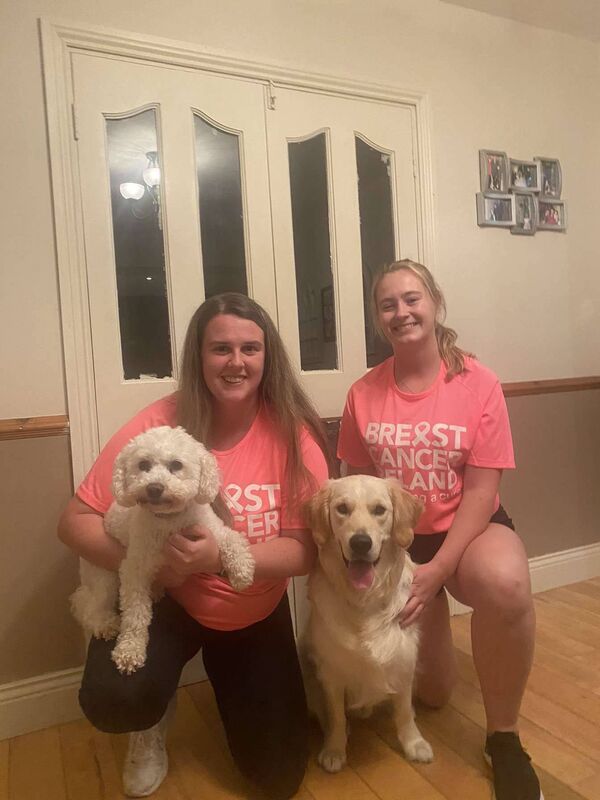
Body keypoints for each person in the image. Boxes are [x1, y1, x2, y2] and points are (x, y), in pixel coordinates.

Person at [58, 292, 330, 799]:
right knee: (116, 699)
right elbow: (74, 523)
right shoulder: (157, 425)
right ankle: (150, 720)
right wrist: (152, 569)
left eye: (250, 348)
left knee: (278, 775)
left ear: (267, 357)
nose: (235, 362)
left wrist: (215, 561)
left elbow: (304, 550)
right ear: (198, 356)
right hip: (168, 602)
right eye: (220, 348)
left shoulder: (294, 436)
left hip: (252, 608)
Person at [337, 260, 542, 800]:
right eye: (388, 304)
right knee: (433, 696)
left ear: (434, 303)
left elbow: (480, 492)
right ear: (378, 318)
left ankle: (504, 740)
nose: (402, 311)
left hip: (469, 530)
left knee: (506, 584)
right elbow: (354, 483)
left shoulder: (479, 382)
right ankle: (436, 618)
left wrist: (439, 571)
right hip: (397, 541)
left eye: (412, 298)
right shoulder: (363, 393)